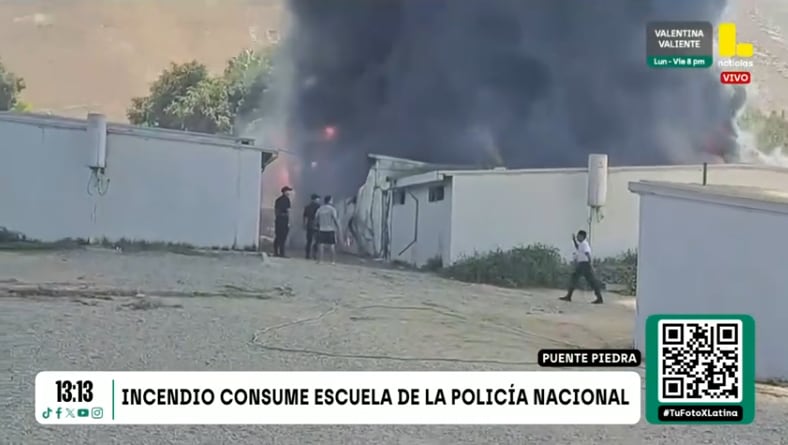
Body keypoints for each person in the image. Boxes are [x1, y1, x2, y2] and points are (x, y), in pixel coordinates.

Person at [559, 230, 604, 304]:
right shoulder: (581, 244)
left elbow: (587, 253)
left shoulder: (584, 244)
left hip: (585, 264)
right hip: (582, 264)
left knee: (590, 281)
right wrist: (574, 240)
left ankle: (599, 298)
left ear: (582, 236)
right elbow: (578, 247)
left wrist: (590, 264)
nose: (577, 237)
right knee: (575, 278)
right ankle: (569, 296)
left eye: (578, 236)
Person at [315, 195, 341, 264]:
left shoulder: (320, 209)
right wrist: (338, 227)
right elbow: (335, 219)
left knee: (321, 245)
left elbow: (316, 218)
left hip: (321, 229)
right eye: (332, 200)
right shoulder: (332, 209)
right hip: (330, 229)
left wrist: (317, 225)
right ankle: (332, 261)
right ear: (329, 201)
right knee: (332, 245)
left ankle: (321, 260)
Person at [273, 186, 292, 257]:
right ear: (284, 191)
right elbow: (288, 211)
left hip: (278, 219)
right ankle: (282, 253)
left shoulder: (278, 200)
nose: (289, 193)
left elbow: (276, 210)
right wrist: (288, 222)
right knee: (283, 236)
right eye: (288, 191)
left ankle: (276, 251)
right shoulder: (287, 200)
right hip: (284, 220)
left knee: (278, 236)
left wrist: (277, 218)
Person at [302, 193, 321, 259]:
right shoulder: (318, 206)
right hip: (316, 225)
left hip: (309, 225)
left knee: (309, 241)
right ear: (315, 199)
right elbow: (319, 216)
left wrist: (304, 224)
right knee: (317, 240)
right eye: (318, 199)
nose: (319, 200)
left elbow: (304, 216)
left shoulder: (307, 207)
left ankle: (307, 254)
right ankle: (314, 254)